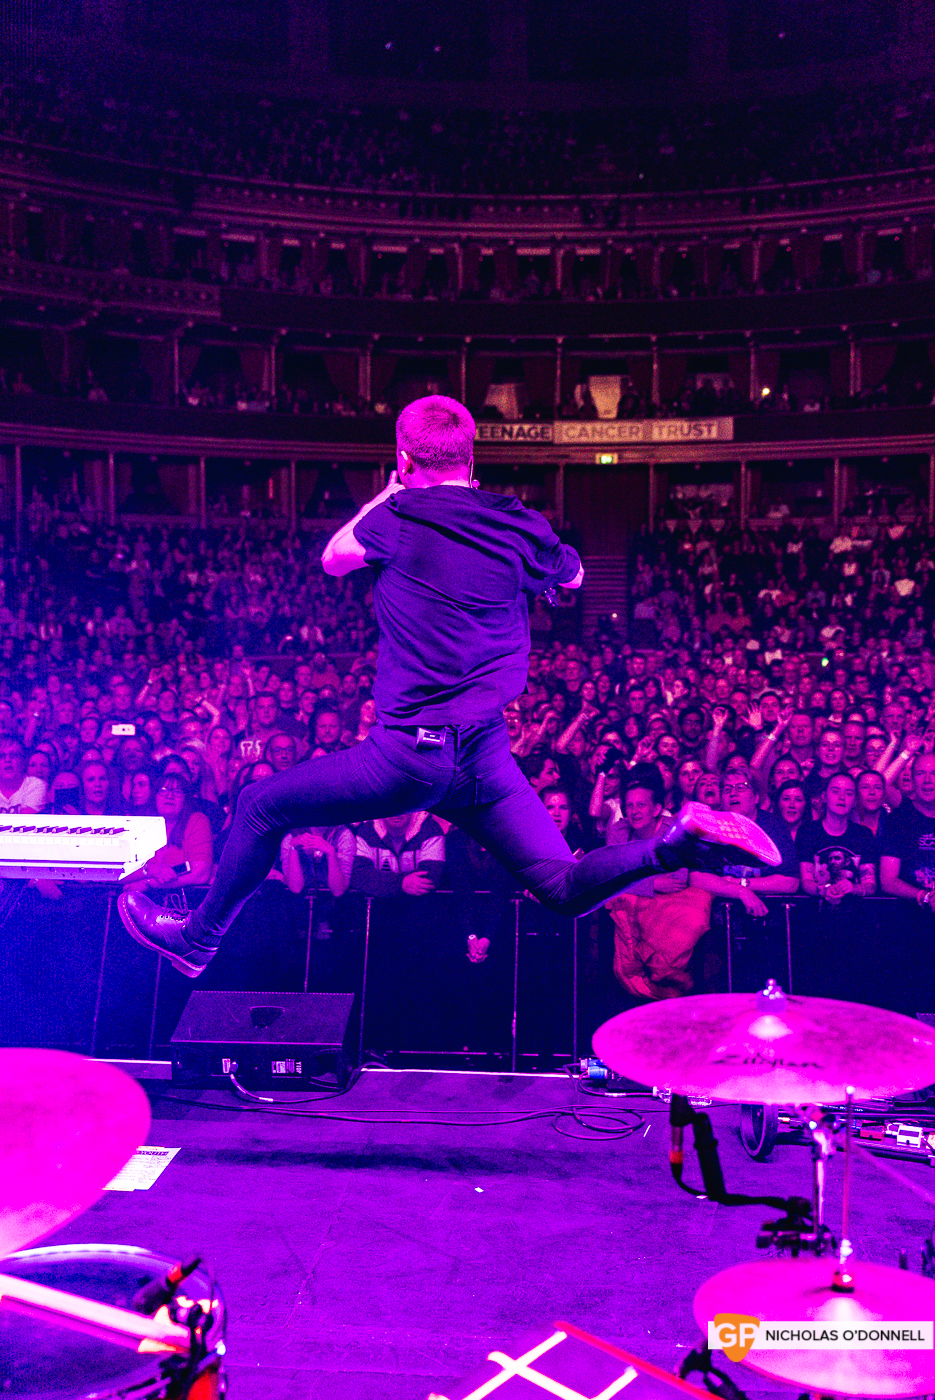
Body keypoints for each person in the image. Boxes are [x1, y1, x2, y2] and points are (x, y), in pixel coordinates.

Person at [118, 395, 779, 977]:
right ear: (471, 456)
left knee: (262, 805)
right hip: (483, 754)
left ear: (404, 459)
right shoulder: (517, 520)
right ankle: (672, 845)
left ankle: (197, 941)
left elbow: (333, 557)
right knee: (561, 882)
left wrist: (389, 492)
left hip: (406, 756)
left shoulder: (397, 516)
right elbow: (573, 578)